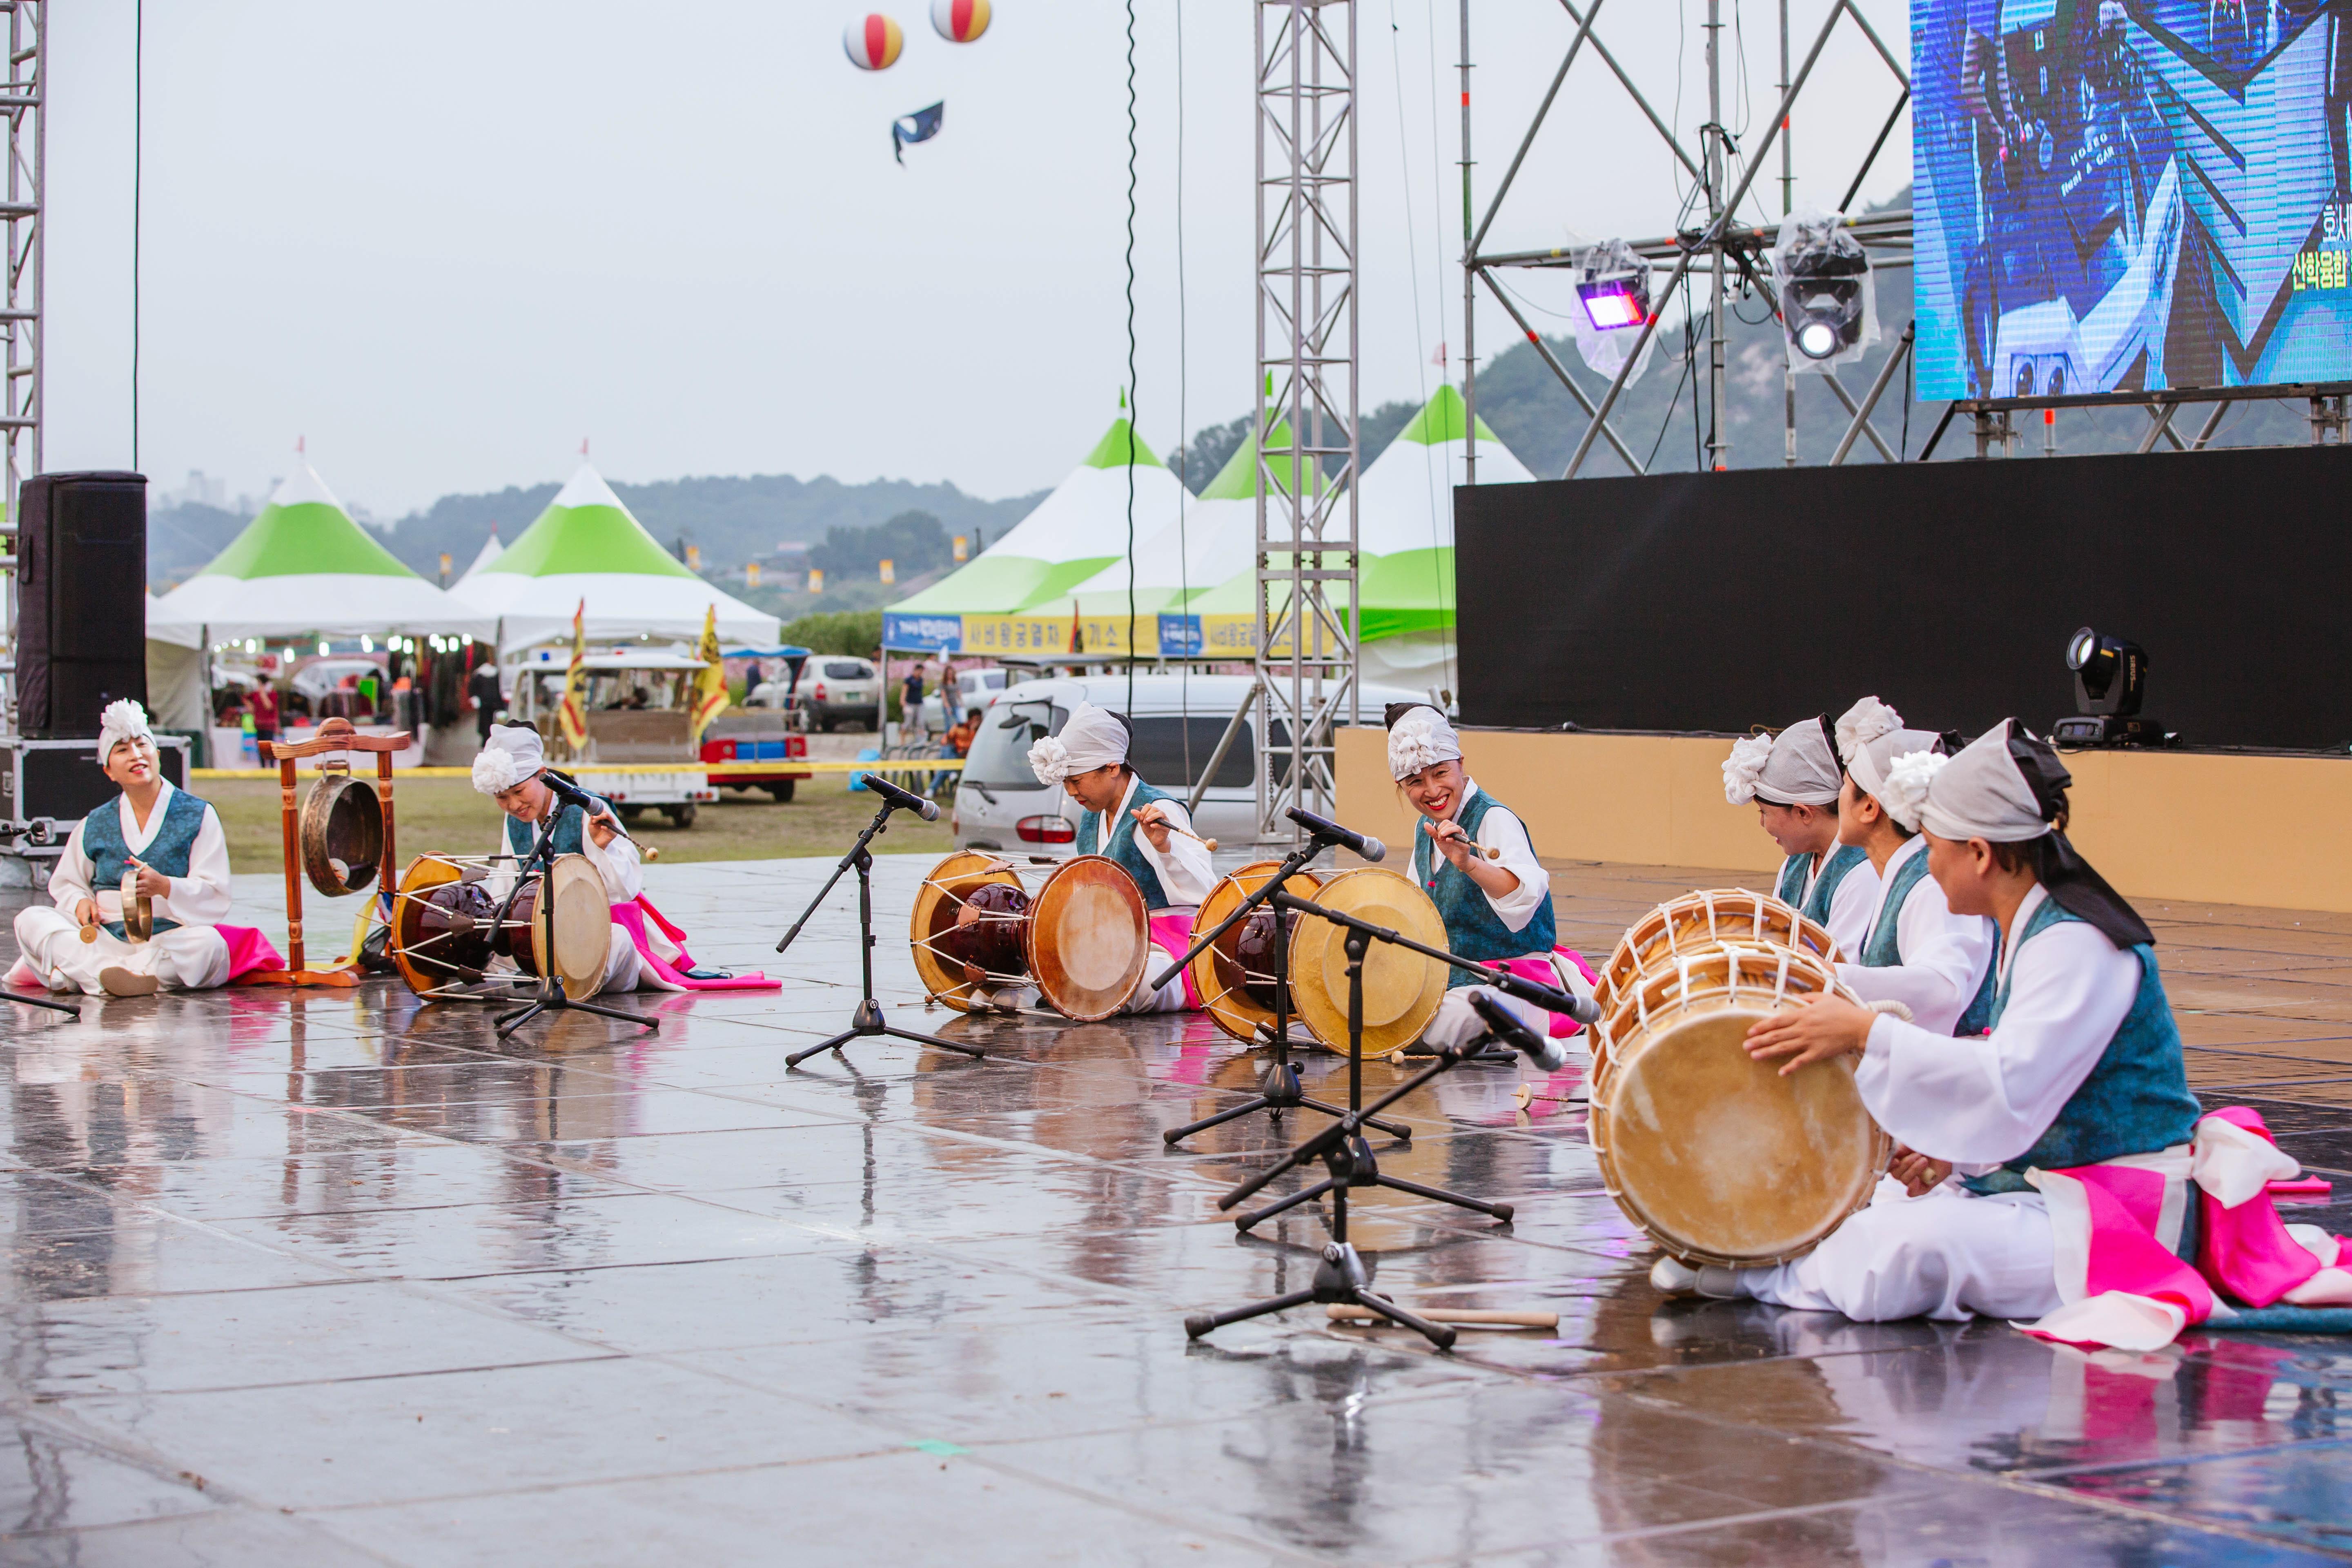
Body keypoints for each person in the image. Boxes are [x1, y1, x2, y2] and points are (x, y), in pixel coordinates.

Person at [1653, 721, 2206, 1329]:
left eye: (1936, 844)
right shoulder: (2041, 924)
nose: (1929, 860)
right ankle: (1769, 1271)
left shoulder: (2075, 942)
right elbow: (2032, 1086)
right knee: (1871, 1200)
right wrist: (1954, 1155)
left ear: (1980, 854)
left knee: (1912, 1249)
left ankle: (1764, 1278)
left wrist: (1866, 1032)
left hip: (2119, 1215)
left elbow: (2011, 1083)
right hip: (2051, 1184)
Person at [471, 724, 777, 993]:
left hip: (594, 923)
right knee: (487, 944)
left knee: (616, 941)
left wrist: (603, 848)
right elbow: (506, 881)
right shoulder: (514, 821)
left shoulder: (588, 811)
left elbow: (623, 892)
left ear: (543, 776)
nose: (513, 804)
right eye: (502, 798)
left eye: (518, 792)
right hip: (539, 929)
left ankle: (566, 983)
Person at [9, 700, 280, 996]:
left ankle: (89, 976)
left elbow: (215, 891)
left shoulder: (197, 814)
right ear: (109, 771)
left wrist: (166, 886)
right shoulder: (95, 822)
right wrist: (80, 902)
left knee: (208, 945)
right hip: (105, 938)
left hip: (168, 939)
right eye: (123, 750)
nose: (136, 755)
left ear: (158, 755)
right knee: (31, 920)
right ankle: (113, 977)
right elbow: (67, 882)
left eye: (142, 745)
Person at [1389, 704, 1597, 1054]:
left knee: (1467, 1010)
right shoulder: (1424, 830)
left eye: (1441, 774)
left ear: (1461, 764)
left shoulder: (1494, 818)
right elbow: (1417, 912)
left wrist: (1469, 863)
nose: (1432, 790)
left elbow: (1524, 896)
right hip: (1450, 980)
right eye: (1416, 782)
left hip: (1514, 984)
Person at [1026, 702, 1211, 1013]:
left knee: (1131, 985)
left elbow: (1202, 891)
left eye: (1076, 781)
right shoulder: (1091, 818)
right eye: (1066, 783)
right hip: (1108, 941)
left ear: (1112, 768)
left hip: (1168, 944)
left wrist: (1165, 848)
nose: (1071, 792)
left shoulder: (1161, 811)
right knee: (1037, 966)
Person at [1830, 697, 1996, 1036]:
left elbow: (1943, 987)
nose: (1838, 798)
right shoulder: (1905, 873)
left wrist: (1831, 977)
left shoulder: (1933, 884)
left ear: (1869, 808)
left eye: (1846, 785)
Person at [1722, 715, 1880, 955]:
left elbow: (1841, 967)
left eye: (1764, 812)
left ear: (1803, 813)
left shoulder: (1864, 874)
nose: (1762, 823)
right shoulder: (1795, 864)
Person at [468, 658, 503, 743]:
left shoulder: (478, 675)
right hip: (494, 703)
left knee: (485, 722)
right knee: (492, 722)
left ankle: (486, 739)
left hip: (484, 704)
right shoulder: (495, 674)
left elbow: (473, 688)